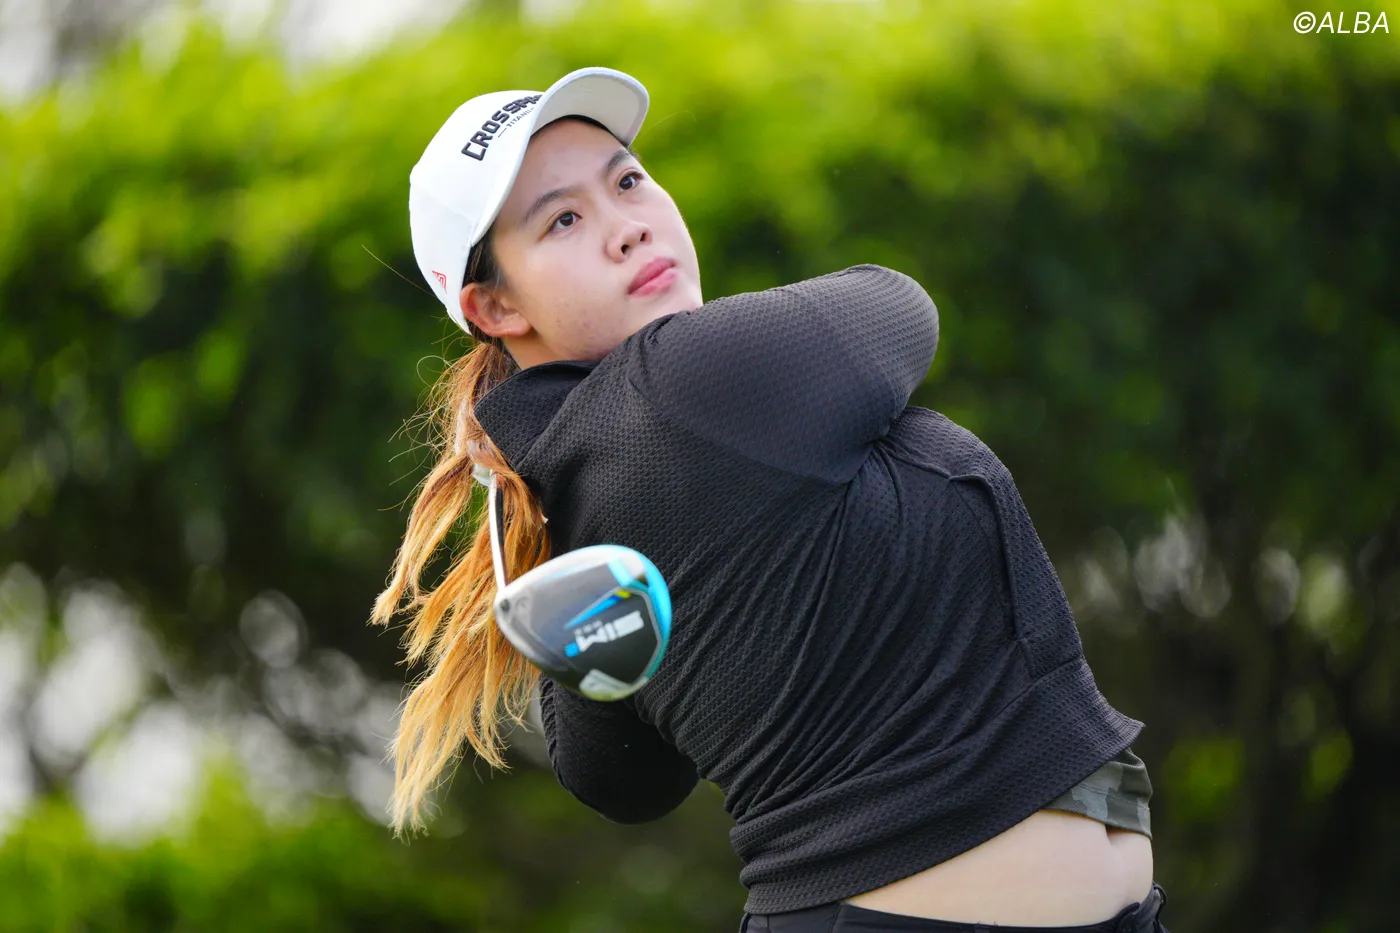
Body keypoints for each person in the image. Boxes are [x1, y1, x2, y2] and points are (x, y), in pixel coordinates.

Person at [374, 67, 1170, 933]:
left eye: (627, 181)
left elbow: (622, 783)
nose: (627, 227)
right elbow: (901, 304)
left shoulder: (578, 493)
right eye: (563, 219)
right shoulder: (683, 380)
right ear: (495, 306)